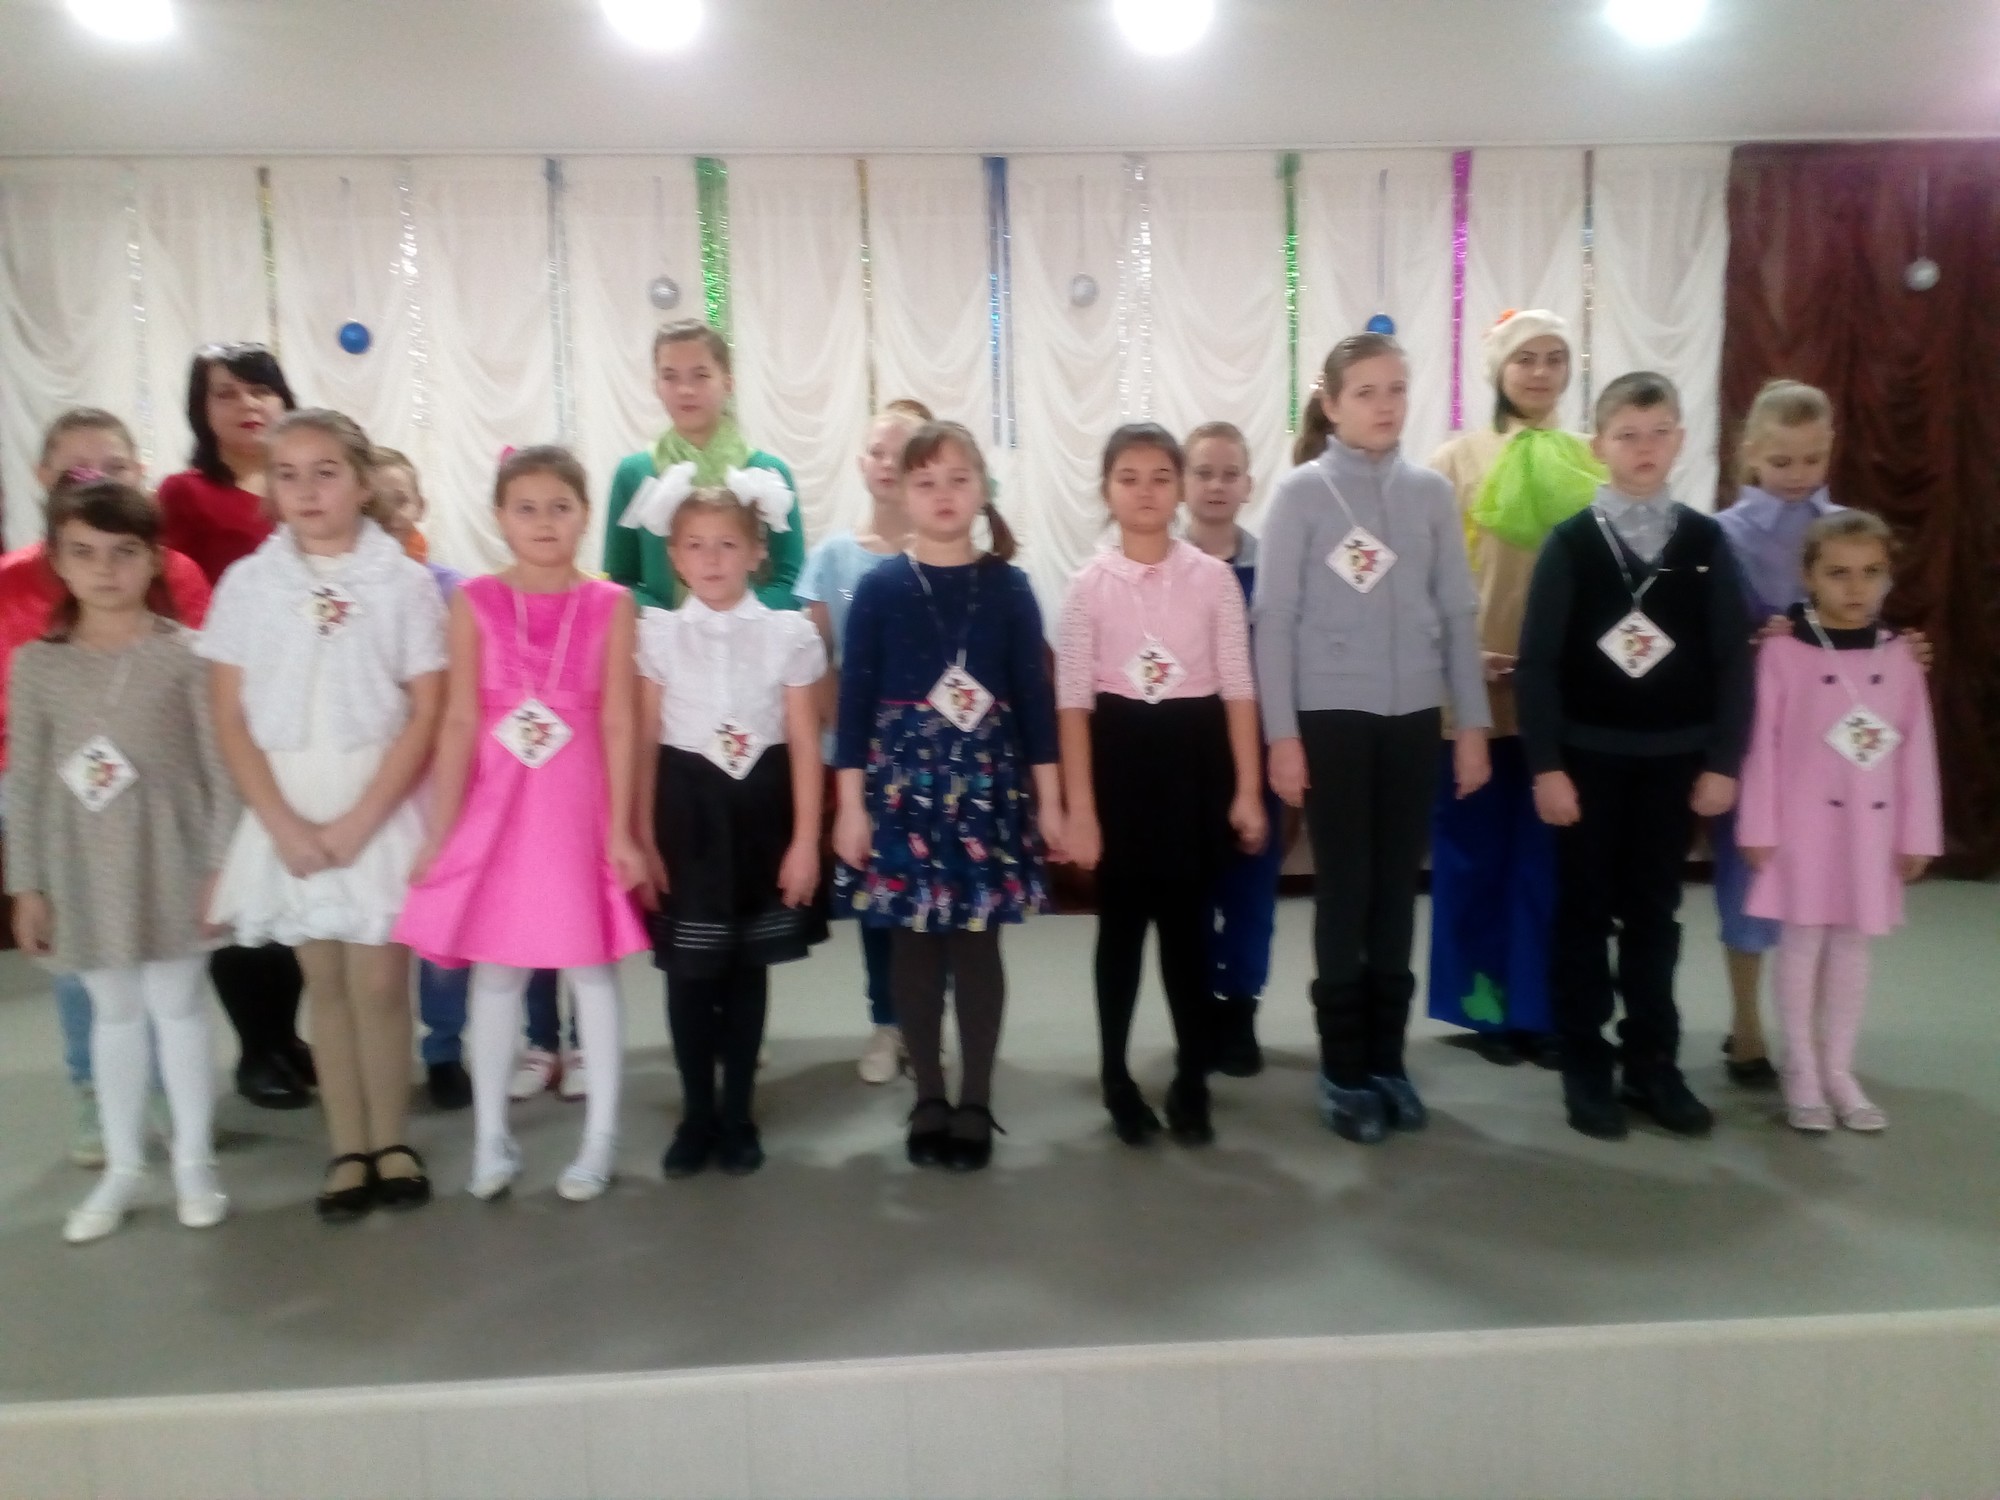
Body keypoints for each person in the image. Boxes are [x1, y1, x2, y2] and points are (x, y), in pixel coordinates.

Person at [198, 409, 447, 1221]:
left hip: (377, 800)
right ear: (270, 488)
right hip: (289, 803)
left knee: (380, 982)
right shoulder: (248, 584)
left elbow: (426, 710)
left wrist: (361, 822)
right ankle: (348, 1147)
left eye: (326, 472)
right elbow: (230, 716)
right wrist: (281, 823)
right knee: (326, 982)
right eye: (288, 475)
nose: (306, 490)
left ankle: (392, 1140)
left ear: (363, 483)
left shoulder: (402, 582)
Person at [1255, 334, 1491, 1144]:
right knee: (1346, 889)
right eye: (1366, 392)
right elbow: (1273, 621)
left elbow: (1457, 611)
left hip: (1414, 717)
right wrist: (1282, 736)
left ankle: (1389, 1061)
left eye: (1396, 388)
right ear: (1331, 404)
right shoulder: (1301, 494)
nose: (1385, 405)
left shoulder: (1429, 493)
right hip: (1331, 720)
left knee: (1397, 890)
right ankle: (1343, 1068)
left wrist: (1471, 725)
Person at [396, 447, 647, 1202]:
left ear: (584, 516)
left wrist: (622, 830)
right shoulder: (473, 600)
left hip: (575, 807)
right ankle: (490, 1138)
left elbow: (621, 722)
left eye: (560, 507)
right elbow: (459, 719)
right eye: (526, 508)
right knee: (497, 969)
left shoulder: (611, 604)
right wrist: (441, 829)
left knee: (590, 968)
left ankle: (600, 1137)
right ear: (500, 517)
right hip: (498, 806)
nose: (544, 522)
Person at [1515, 371, 1755, 1142]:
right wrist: (1547, 765)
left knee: (1654, 914)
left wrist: (1722, 761)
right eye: (1627, 436)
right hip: (1587, 764)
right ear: (1600, 446)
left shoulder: (1706, 543)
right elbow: (1538, 664)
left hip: (1674, 765)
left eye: (1658, 434)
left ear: (1679, 441)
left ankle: (1653, 1062)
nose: (1644, 449)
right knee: (1583, 913)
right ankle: (1586, 1063)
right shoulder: (1572, 544)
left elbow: (1732, 661)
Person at [5, 477, 236, 1243]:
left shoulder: (188, 656)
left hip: (173, 857)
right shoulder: (38, 666)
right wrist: (27, 884)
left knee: (178, 1004)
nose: (104, 569)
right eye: (84, 552)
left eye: (124, 552)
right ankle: (124, 1163)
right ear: (57, 561)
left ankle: (195, 1160)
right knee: (114, 1011)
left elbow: (221, 771)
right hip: (82, 864)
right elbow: (27, 781)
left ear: (155, 559)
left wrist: (219, 866)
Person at [833, 422, 1063, 1172]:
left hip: (985, 790)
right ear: (902, 493)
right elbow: (853, 706)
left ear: (981, 490)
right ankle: (929, 1094)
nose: (942, 495)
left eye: (958, 480)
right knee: (913, 943)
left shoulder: (1010, 588)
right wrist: (849, 805)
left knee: (975, 942)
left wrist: (1052, 800)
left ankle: (976, 1099)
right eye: (926, 481)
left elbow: (1035, 704)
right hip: (902, 790)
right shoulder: (880, 589)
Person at [1059, 424, 1265, 1146]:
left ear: (1179, 488)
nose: (1145, 491)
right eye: (1129, 478)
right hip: (1119, 764)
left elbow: (1239, 688)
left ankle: (1192, 1077)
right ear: (1107, 490)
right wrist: (1081, 810)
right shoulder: (1087, 588)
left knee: (1187, 932)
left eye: (1159, 477)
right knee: (1119, 933)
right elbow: (1073, 704)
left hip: (1194, 765)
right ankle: (1116, 1076)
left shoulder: (1212, 579)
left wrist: (1247, 789)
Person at [627, 467, 826, 1179]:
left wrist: (806, 840)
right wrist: (642, 837)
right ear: (674, 557)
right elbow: (644, 741)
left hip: (761, 814)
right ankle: (696, 1113)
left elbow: (804, 741)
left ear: (756, 552)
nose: (711, 559)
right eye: (695, 545)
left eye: (726, 544)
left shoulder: (787, 634)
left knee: (745, 971)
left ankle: (738, 1112)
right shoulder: (657, 637)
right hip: (686, 818)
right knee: (688, 973)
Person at [1425, 311, 1601, 1068]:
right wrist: (1462, 658)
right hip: (1472, 697)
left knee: (1549, 861)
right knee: (1474, 857)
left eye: (1554, 358)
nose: (1540, 371)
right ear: (1498, 367)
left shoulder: (1591, 458)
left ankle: (1543, 1009)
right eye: (1525, 357)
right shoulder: (1453, 461)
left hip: (1560, 701)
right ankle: (1487, 1008)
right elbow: (1424, 581)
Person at [365, 446, 565, 1113]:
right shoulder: (350, 589)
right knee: (377, 921)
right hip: (372, 770)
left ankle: (444, 1047)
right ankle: (373, 1052)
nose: (389, 512)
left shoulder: (457, 591)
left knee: (447, 917)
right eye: (376, 499)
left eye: (400, 498)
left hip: (451, 772)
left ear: (420, 504)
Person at [1738, 512, 1941, 1134]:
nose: (1856, 587)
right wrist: (1759, 826)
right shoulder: (1783, 651)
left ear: (1888, 577)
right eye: (1838, 573)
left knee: (1853, 944)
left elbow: (1916, 748)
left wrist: (1917, 833)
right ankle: (1801, 1071)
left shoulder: (1900, 655)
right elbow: (1763, 745)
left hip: (1871, 830)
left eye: (1871, 572)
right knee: (1801, 944)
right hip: (1802, 826)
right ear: (1809, 577)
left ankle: (1839, 1069)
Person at [156, 343, 312, 1111]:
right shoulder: (183, 495)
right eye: (226, 393)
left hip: (310, 705)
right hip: (226, 703)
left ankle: (291, 1036)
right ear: (201, 410)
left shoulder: (307, 483)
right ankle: (258, 1045)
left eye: (260, 390)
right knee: (240, 872)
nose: (247, 405)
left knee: (298, 873)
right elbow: (172, 599)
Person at [1708, 380, 1842, 1087]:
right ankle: (1748, 1025)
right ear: (1752, 453)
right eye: (1783, 460)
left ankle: (1811, 1028)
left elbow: (1868, 620)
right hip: (1755, 732)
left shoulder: (1846, 529)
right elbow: (1710, 640)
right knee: (1747, 872)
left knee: (1819, 873)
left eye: (1812, 459)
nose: (1798, 474)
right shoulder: (1723, 535)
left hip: (1829, 738)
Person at [796, 403, 928, 1085]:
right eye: (877, 451)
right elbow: (815, 659)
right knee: (877, 896)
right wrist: (847, 741)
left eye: (902, 453)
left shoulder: (945, 552)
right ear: (861, 462)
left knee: (935, 892)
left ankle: (927, 1021)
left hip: (935, 762)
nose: (887, 464)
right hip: (861, 762)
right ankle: (886, 1020)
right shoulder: (831, 558)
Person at [1182, 420, 1284, 1078]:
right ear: (1183, 484)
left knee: (1251, 891)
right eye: (1203, 473)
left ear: (1248, 484)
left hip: (1258, 759)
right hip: (1185, 760)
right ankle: (1195, 1008)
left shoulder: (1273, 570)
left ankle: (1240, 1006)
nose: (1216, 485)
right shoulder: (1162, 565)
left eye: (1229, 473)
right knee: (1191, 892)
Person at [602, 320, 806, 611]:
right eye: (670, 377)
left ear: (728, 382)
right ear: (656, 385)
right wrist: (674, 624)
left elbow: (790, 577)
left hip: (754, 631)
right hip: (662, 632)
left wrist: (737, 619)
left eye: (700, 375)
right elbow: (620, 580)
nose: (685, 389)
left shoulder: (768, 472)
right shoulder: (634, 473)